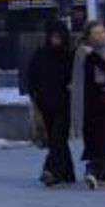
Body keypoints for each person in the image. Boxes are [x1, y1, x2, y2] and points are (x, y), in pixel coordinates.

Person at [71, 21, 105, 188]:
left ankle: (93, 171)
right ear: (88, 36)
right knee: (92, 140)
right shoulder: (81, 52)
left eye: (102, 32)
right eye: (95, 33)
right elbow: (78, 77)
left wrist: (93, 56)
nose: (100, 36)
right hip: (88, 102)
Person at [26, 19, 76, 186]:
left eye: (59, 36)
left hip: (65, 103)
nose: (56, 39)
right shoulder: (41, 54)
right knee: (58, 140)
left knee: (57, 137)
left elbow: (76, 77)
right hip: (45, 104)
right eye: (53, 36)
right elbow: (31, 75)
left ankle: (51, 170)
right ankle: (67, 173)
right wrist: (33, 94)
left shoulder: (69, 55)